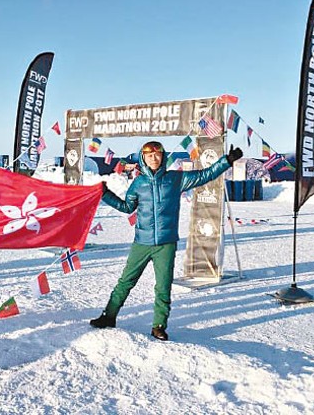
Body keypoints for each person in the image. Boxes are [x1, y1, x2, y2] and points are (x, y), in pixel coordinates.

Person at [90, 140, 243, 341]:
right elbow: (127, 207)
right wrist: (105, 194)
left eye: (157, 154)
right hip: (141, 243)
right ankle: (108, 317)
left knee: (163, 286)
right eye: (149, 155)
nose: (153, 158)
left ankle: (159, 326)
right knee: (125, 282)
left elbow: (205, 175)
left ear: (162, 156)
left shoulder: (175, 179)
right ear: (143, 158)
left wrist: (226, 161)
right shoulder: (138, 183)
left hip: (165, 244)